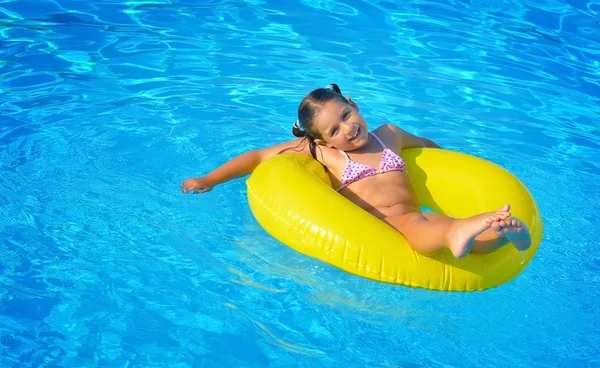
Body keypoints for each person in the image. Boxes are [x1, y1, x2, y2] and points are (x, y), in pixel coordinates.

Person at [182, 84, 531, 259]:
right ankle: (466, 231)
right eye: (334, 130)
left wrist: (464, 171)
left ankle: (502, 232)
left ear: (354, 105)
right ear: (322, 140)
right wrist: (209, 179)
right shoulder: (322, 153)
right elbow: (258, 157)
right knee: (424, 233)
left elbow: (429, 147)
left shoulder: (390, 135)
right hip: (382, 224)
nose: (347, 130)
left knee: (440, 227)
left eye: (347, 116)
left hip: (410, 214)